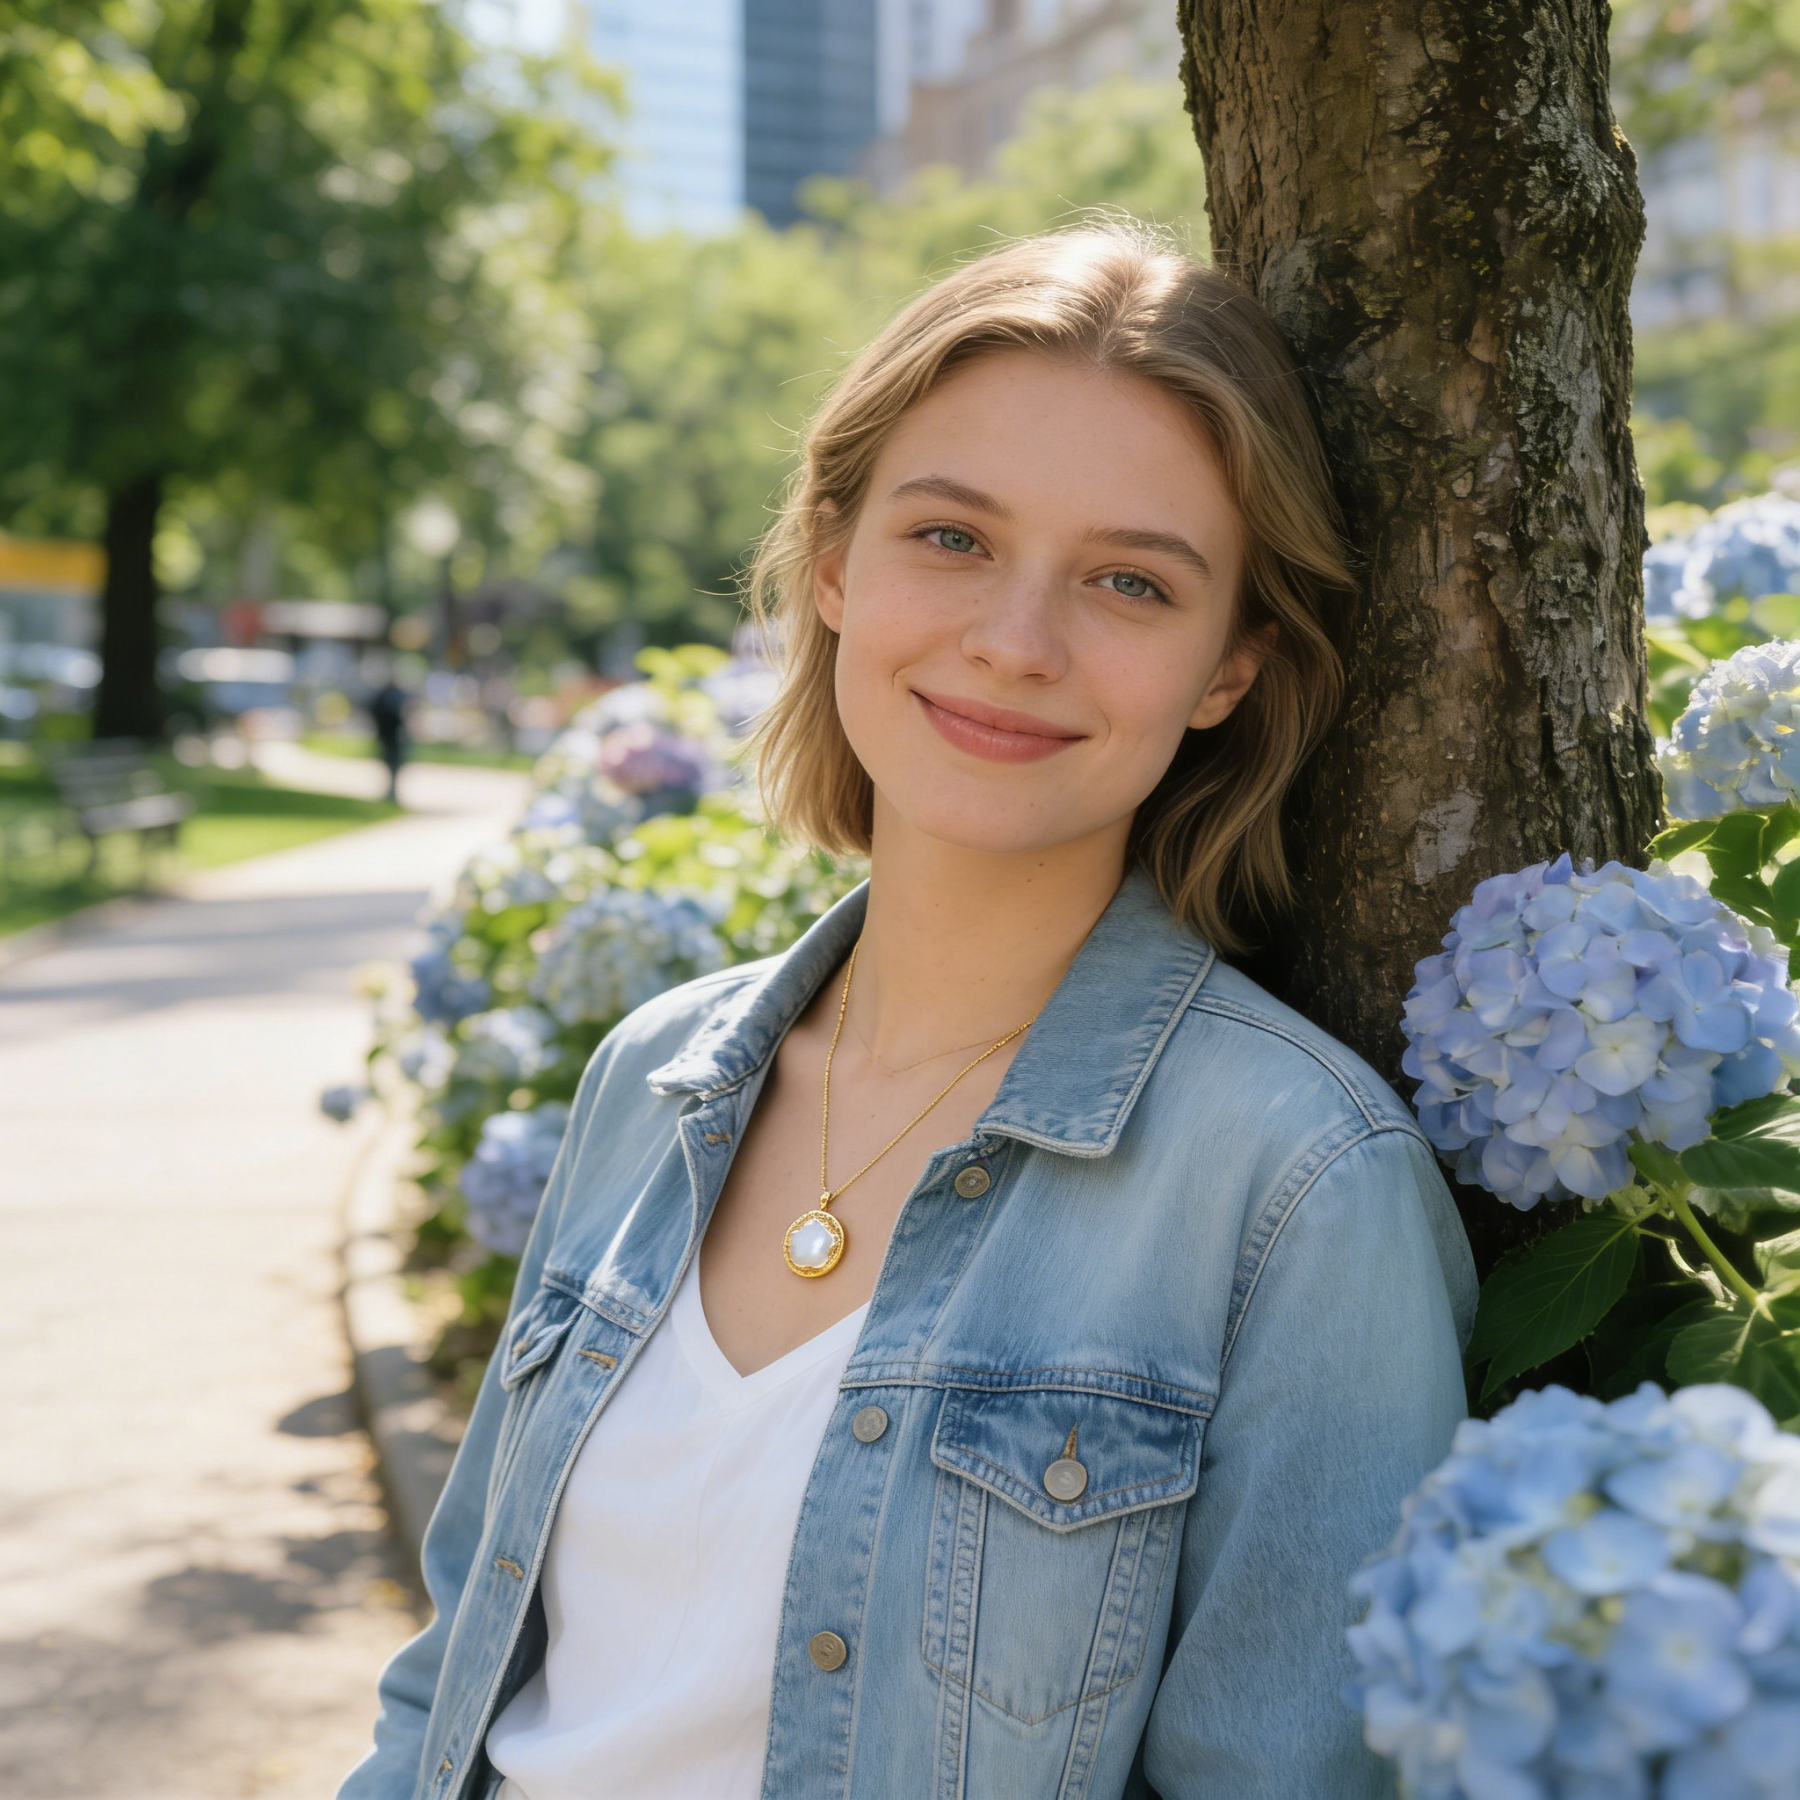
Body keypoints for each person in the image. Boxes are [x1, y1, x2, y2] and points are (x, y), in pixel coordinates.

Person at [339, 221, 1476, 1800]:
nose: (1015, 642)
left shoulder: (1299, 1189)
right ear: (833, 562)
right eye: (951, 537)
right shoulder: (652, 1077)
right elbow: (447, 1683)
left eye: (1132, 582)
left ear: (1229, 668)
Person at [369, 673, 410, 803]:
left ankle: (391, 791)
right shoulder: (393, 697)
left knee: (392, 764)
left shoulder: (385, 696)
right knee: (393, 764)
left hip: (388, 736)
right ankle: (391, 792)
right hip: (392, 736)